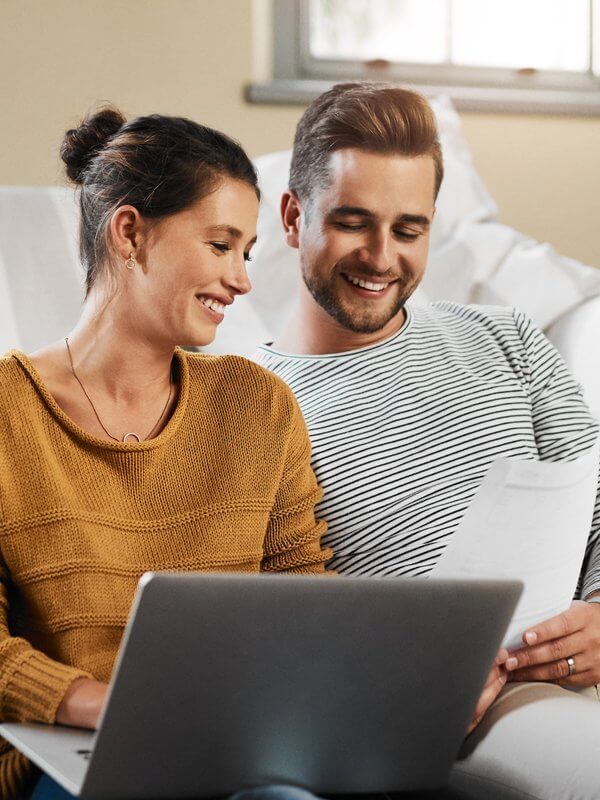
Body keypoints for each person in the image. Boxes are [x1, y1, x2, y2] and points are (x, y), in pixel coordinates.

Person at [253, 82, 600, 800]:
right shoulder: (251, 404)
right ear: (292, 217)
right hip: (466, 719)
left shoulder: (505, 336)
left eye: (409, 230)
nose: (382, 258)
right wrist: (399, 685)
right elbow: (267, 627)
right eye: (354, 223)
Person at [0, 107, 331, 800]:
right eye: (220, 245)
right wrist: (107, 703)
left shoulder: (259, 406)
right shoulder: (8, 410)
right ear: (129, 232)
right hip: (68, 758)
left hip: (240, 752)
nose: (241, 280)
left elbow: (308, 606)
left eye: (246, 252)